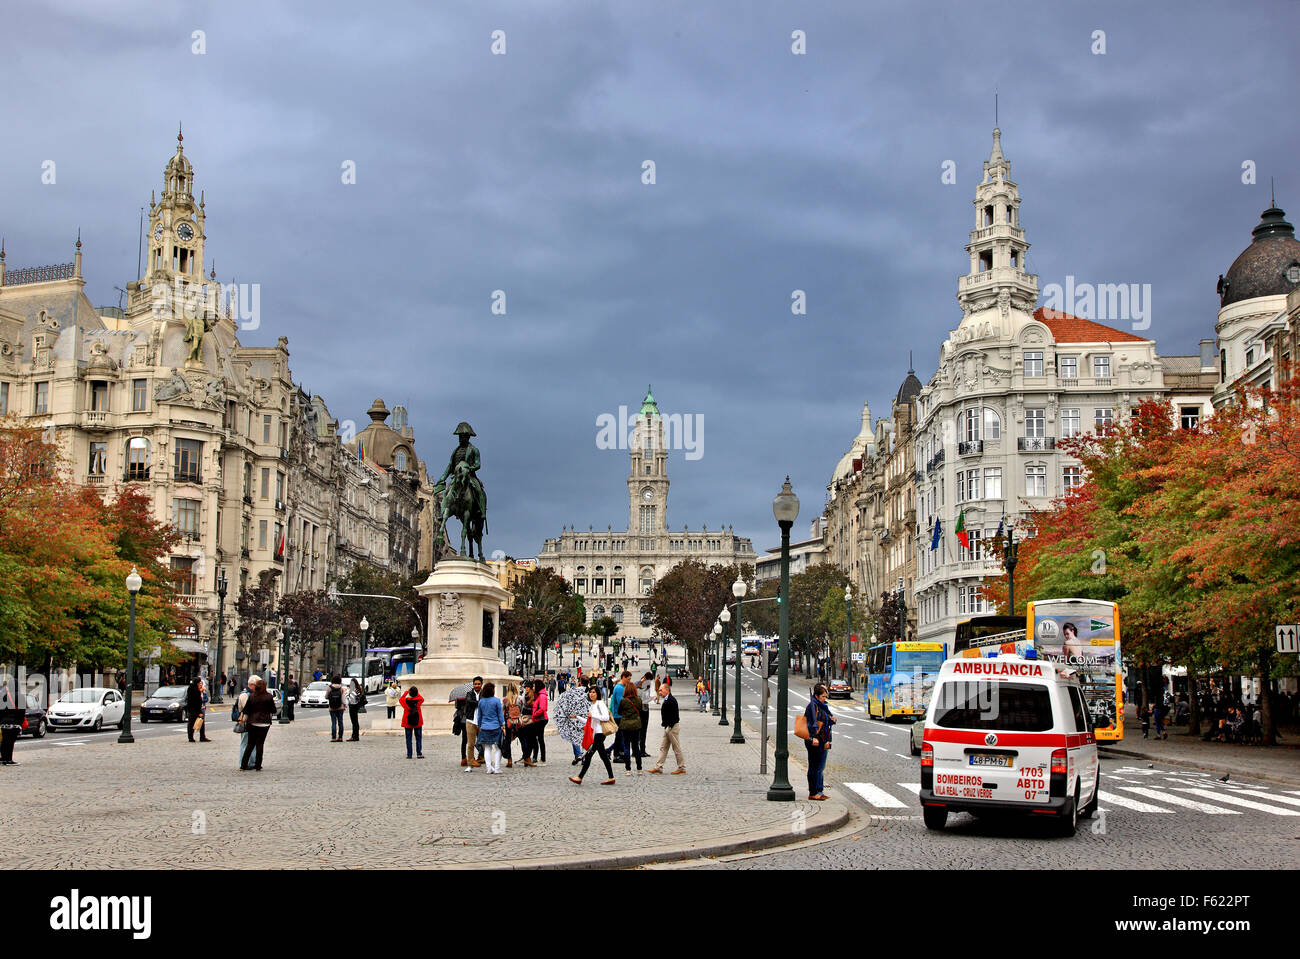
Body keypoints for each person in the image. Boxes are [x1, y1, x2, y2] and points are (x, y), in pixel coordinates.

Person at [569, 684, 616, 786]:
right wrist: (577, 717)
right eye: (590, 692)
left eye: (594, 692)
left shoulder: (600, 704)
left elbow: (606, 717)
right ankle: (611, 777)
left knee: (589, 755)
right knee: (603, 755)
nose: (591, 694)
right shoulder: (593, 705)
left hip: (600, 733)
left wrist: (593, 715)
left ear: (598, 694)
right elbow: (589, 722)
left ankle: (580, 777)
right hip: (596, 733)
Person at [804, 684, 834, 800]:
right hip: (815, 740)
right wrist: (813, 738)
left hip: (822, 739)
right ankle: (813, 791)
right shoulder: (812, 706)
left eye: (826, 696)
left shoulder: (822, 706)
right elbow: (810, 724)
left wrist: (831, 721)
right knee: (815, 766)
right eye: (823, 696)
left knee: (820, 767)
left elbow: (824, 723)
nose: (825, 698)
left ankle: (819, 790)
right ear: (816, 695)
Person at [240, 676, 276, 771]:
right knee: (260, 744)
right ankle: (258, 765)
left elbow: (246, 710)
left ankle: (243, 765)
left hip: (252, 722)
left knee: (250, 744)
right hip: (264, 723)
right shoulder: (268, 697)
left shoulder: (252, 696)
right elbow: (274, 710)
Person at [648, 682, 685, 774]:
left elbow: (674, 716)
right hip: (668, 727)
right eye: (659, 690)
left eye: (661, 690)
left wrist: (669, 726)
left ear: (667, 690)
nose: (659, 692)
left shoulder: (671, 700)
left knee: (676, 747)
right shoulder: (667, 699)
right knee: (663, 747)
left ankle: (681, 767)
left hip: (672, 727)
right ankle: (659, 767)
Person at [476, 682, 505, 773]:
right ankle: (497, 768)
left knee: (487, 748)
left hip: (484, 727)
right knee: (497, 748)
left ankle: (489, 768)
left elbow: (479, 716)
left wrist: (480, 725)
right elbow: (500, 715)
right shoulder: (496, 701)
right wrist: (503, 725)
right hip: (495, 727)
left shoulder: (481, 702)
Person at [617, 676, 643, 773]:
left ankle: (628, 769)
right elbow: (640, 710)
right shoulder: (639, 700)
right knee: (636, 747)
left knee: (626, 746)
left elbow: (619, 711)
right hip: (636, 725)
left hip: (625, 725)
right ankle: (639, 768)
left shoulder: (623, 701)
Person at [460, 676, 483, 769]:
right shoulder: (469, 693)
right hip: (471, 720)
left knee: (483, 742)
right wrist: (479, 703)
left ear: (481, 684)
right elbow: (470, 702)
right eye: (475, 684)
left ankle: (482, 758)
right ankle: (470, 763)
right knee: (470, 743)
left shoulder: (484, 694)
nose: (476, 685)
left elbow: (483, 703)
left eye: (478, 684)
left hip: (481, 721)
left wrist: (477, 702)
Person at [0, 685, 23, 766]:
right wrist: (20, 723)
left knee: (4, 741)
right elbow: (22, 711)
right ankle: (9, 759)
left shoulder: (4, 696)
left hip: (4, 723)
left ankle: (3, 759)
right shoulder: (20, 696)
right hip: (14, 723)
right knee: (10, 742)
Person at [527, 679, 548, 765]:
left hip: (541, 719)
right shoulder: (539, 695)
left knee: (539, 739)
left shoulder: (542, 696)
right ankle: (536, 757)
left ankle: (542, 759)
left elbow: (542, 708)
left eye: (534, 686)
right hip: (539, 719)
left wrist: (534, 714)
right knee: (538, 738)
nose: (533, 687)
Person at [400, 684, 425, 758]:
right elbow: (422, 698)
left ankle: (409, 754)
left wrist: (406, 692)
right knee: (418, 738)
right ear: (417, 693)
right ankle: (419, 753)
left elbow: (401, 698)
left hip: (407, 722)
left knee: (408, 738)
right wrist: (416, 693)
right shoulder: (419, 700)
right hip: (417, 721)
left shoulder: (405, 701)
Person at [502, 682, 522, 768]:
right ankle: (526, 757)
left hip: (508, 721)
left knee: (507, 740)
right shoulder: (519, 699)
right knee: (522, 739)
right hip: (517, 721)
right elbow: (521, 709)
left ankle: (509, 760)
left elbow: (503, 712)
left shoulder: (505, 700)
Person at [186, 677, 210, 742]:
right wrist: (199, 712)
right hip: (195, 709)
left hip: (191, 709)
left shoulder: (190, 688)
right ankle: (201, 737)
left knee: (191, 723)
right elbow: (197, 702)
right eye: (199, 683)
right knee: (197, 723)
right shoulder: (196, 691)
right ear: (197, 683)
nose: (200, 684)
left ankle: (191, 737)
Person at [636, 672, 654, 758]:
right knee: (643, 731)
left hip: (639, 710)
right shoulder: (645, 685)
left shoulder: (638, 683)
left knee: (638, 731)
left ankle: (637, 750)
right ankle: (642, 750)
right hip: (643, 710)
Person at [327, 674, 346, 742]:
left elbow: (326, 696)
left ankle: (333, 737)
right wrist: (344, 705)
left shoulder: (329, 688)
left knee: (333, 722)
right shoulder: (341, 689)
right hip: (340, 707)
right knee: (340, 722)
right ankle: (340, 737)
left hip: (332, 708)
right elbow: (343, 699)